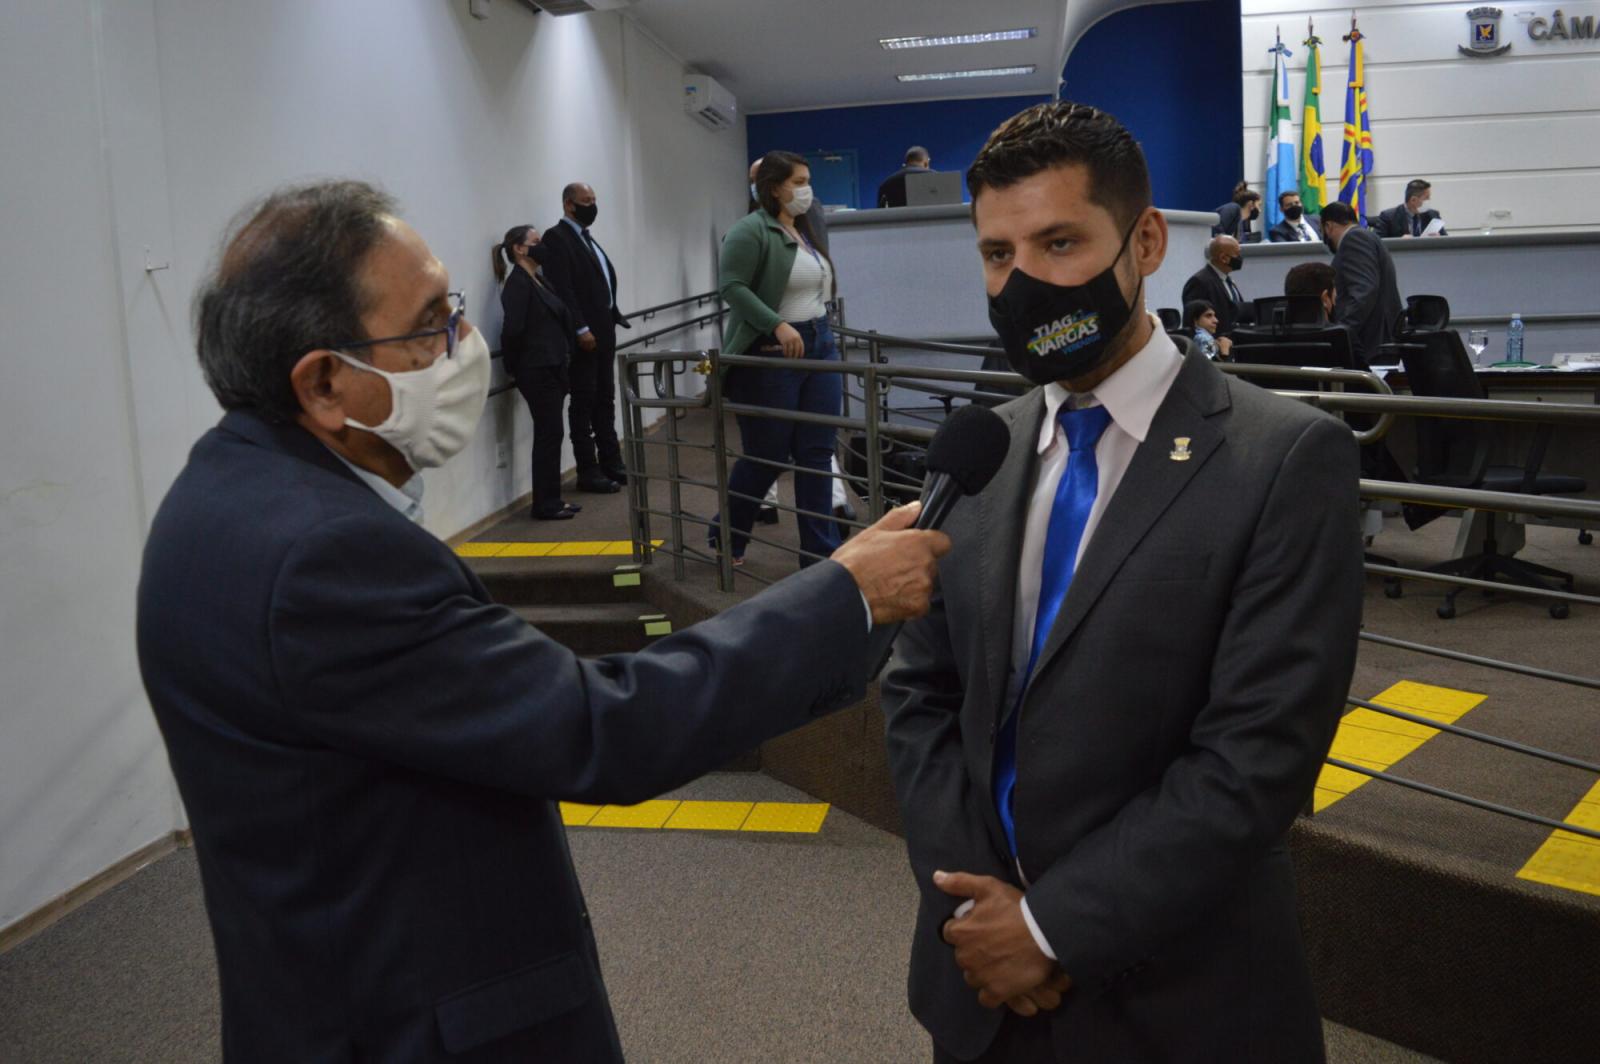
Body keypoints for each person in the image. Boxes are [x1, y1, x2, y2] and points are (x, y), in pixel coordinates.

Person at [138, 179, 950, 1063]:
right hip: (413, 1021)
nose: (465, 344)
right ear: (326, 381)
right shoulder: (323, 556)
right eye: (429, 325)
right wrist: (847, 595)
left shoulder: (217, 496)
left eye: (453, 305)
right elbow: (599, 726)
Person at [880, 101, 1363, 1064]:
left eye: (1059, 242)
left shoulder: (1284, 458)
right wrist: (982, 904)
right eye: (997, 254)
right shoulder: (981, 451)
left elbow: (1256, 760)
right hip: (982, 988)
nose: (1022, 282)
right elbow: (917, 693)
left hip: (1180, 1001)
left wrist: (1051, 928)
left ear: (1144, 242)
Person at [713, 151, 845, 567]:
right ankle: (729, 534)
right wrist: (777, 324)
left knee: (816, 453)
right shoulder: (750, 230)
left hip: (821, 346)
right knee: (767, 455)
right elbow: (732, 287)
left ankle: (818, 553)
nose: (807, 190)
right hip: (772, 353)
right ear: (773, 188)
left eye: (808, 181)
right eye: (798, 181)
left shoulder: (803, 228)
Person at [538, 182, 628, 494]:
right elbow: (564, 288)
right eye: (585, 201)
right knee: (584, 401)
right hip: (584, 337)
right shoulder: (557, 238)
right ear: (568, 205)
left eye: (594, 199)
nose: (592, 205)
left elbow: (599, 282)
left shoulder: (586, 239)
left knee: (605, 397)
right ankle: (587, 469)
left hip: (604, 330)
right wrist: (580, 328)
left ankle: (611, 462)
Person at [495, 225, 581, 520]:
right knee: (549, 434)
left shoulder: (539, 280)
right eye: (536, 242)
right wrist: (514, 366)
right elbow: (513, 330)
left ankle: (553, 498)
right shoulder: (518, 283)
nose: (542, 246)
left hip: (553, 366)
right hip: (536, 369)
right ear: (520, 249)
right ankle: (545, 504)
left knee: (552, 434)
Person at [1322, 199, 1403, 366]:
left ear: (1328, 226)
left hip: (1372, 342)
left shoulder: (1354, 239)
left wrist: (1341, 332)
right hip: (1377, 341)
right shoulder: (1366, 237)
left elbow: (1363, 291)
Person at [1180, 235, 1251, 336]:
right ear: (1223, 258)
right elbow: (1193, 322)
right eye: (1237, 254)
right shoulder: (1199, 282)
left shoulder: (1228, 280)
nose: (1240, 258)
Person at [1372, 179, 1445, 238]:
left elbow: (1446, 241)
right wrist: (1399, 242)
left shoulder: (1433, 215)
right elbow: (1377, 242)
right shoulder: (1389, 216)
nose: (1429, 200)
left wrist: (1440, 238)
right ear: (1413, 200)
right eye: (1426, 198)